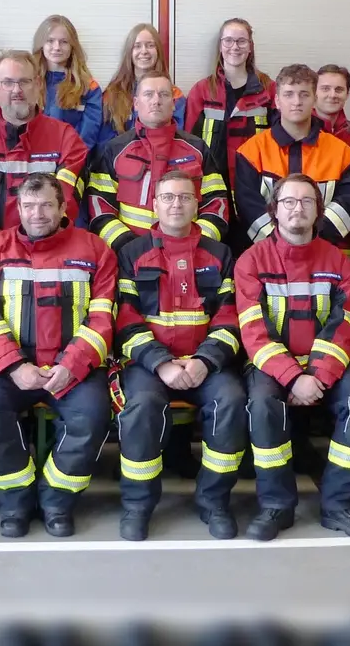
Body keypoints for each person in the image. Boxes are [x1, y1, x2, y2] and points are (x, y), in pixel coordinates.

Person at [235, 174, 350, 541]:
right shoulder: (251, 262)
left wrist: (316, 374)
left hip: (324, 365)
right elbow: (255, 331)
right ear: (274, 211)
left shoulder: (339, 262)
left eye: (306, 202)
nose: (297, 209)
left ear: (318, 211)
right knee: (263, 404)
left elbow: (343, 325)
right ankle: (276, 506)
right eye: (288, 202)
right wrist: (292, 376)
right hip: (271, 364)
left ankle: (340, 505)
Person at [0, 173, 116, 538]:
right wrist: (15, 366)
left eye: (47, 205)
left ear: (63, 207)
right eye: (29, 206)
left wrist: (72, 365)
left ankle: (56, 501)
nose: (37, 214)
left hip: (74, 369)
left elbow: (102, 318)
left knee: (94, 414)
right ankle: (14, 503)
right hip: (11, 368)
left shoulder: (95, 250)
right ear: (17, 208)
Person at [112, 170, 246, 541]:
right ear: (154, 204)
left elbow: (230, 314)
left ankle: (214, 502)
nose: (176, 204)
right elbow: (124, 317)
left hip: (207, 364)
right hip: (150, 366)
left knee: (232, 402)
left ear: (197, 205)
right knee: (139, 408)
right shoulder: (131, 254)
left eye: (185, 197)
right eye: (168, 197)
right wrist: (161, 363)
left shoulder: (221, 255)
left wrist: (205, 361)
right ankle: (138, 506)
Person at [86, 71, 229, 252]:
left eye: (164, 94)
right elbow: (99, 208)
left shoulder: (197, 149)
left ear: (173, 104)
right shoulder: (115, 149)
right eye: (148, 94)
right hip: (131, 259)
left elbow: (217, 205)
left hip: (190, 256)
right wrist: (129, 248)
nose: (156, 100)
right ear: (136, 103)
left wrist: (198, 245)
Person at [0, 51, 88, 244]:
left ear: (37, 84)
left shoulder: (66, 139)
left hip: (50, 252)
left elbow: (65, 202)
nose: (16, 90)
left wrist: (30, 242)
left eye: (24, 82)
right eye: (8, 82)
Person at [234, 64, 350, 253]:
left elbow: (349, 206)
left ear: (314, 99)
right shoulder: (251, 152)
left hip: (323, 253)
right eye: (289, 94)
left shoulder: (342, 153)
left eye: (304, 94)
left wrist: (311, 242)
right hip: (268, 255)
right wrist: (280, 244)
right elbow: (248, 209)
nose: (296, 101)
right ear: (277, 101)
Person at [185, 18, 275, 185]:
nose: (234, 47)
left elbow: (278, 140)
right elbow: (189, 143)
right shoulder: (202, 90)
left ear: (250, 47)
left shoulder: (269, 89)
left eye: (241, 41)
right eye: (228, 41)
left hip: (256, 183)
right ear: (220, 46)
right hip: (211, 183)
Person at [97, 23, 187, 147]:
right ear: (129, 52)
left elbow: (176, 138)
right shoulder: (112, 94)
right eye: (137, 46)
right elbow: (105, 145)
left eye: (150, 45)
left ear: (158, 51)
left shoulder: (174, 95)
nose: (144, 51)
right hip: (119, 162)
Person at [314, 63, 350, 256]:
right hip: (306, 231)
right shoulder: (300, 133)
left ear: (347, 94)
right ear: (314, 92)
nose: (332, 94)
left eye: (339, 89)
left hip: (347, 234)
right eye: (325, 88)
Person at [32, 14, 104, 152]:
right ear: (40, 44)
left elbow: (87, 137)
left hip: (70, 163)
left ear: (73, 46)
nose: (57, 47)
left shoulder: (89, 88)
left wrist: (68, 162)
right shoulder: (28, 82)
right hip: (33, 163)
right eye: (50, 41)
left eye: (64, 41)